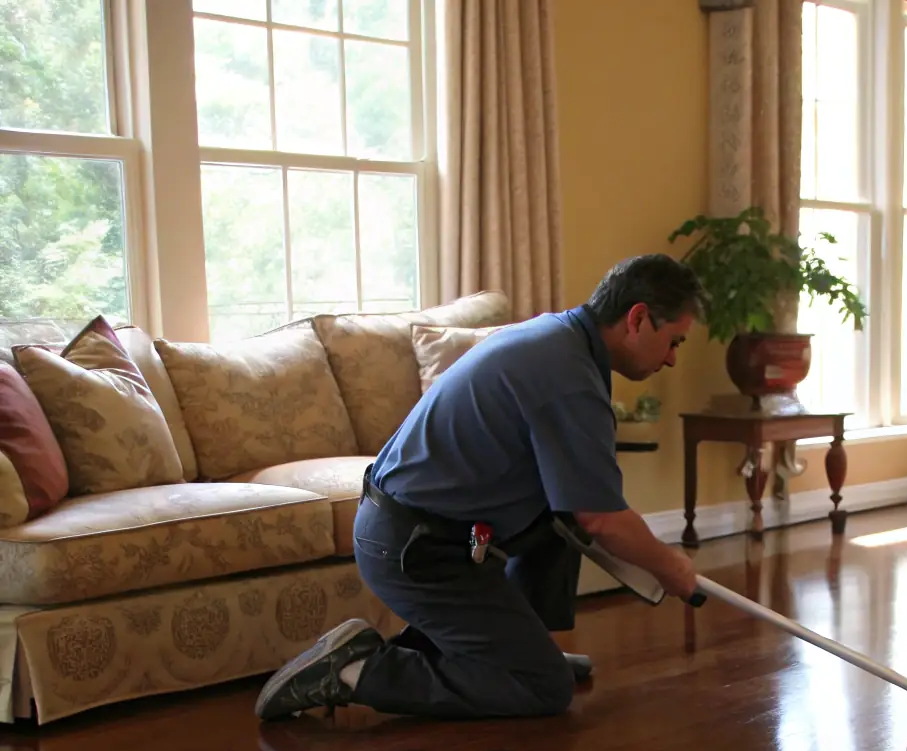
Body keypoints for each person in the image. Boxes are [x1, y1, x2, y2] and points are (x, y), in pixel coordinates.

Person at [254, 254, 706, 722]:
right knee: (544, 687)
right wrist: (669, 565)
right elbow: (602, 518)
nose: (672, 358)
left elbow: (581, 511)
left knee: (561, 517)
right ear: (637, 318)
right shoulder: (567, 376)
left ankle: (518, 650)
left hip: (420, 532)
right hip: (415, 549)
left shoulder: (558, 339)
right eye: (673, 341)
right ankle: (354, 671)